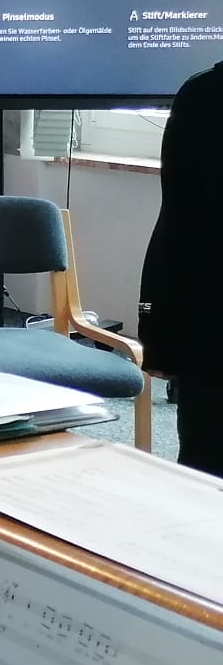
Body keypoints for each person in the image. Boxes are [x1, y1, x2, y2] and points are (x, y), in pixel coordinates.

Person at [139, 61, 223, 477]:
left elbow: (179, 223)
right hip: (210, 334)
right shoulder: (204, 95)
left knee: (203, 478)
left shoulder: (204, 94)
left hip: (210, 333)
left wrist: (159, 337)